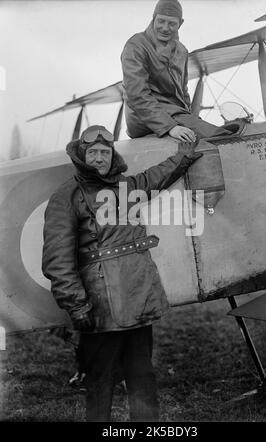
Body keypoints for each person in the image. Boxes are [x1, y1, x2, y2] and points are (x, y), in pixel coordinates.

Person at [42, 124, 203, 422]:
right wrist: (76, 305)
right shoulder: (66, 196)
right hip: (100, 307)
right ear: (81, 155)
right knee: (100, 381)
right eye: (93, 152)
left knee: (142, 374)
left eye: (105, 152)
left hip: (138, 297)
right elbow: (57, 260)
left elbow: (157, 176)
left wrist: (184, 156)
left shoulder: (126, 187)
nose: (100, 158)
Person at [121, 0, 230, 142]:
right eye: (161, 21)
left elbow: (183, 92)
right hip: (142, 116)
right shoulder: (136, 45)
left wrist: (191, 118)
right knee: (217, 137)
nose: (165, 28)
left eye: (172, 23)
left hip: (175, 112)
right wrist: (170, 127)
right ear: (153, 19)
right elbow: (136, 94)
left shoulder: (182, 51)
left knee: (224, 132)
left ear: (180, 23)